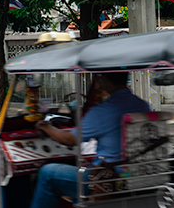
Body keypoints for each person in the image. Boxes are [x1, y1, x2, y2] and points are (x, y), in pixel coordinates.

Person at [29, 72, 150, 208]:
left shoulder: (102, 111)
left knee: (47, 173)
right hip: (137, 174)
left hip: (109, 180)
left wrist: (46, 127)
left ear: (104, 79)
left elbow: (69, 140)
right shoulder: (143, 105)